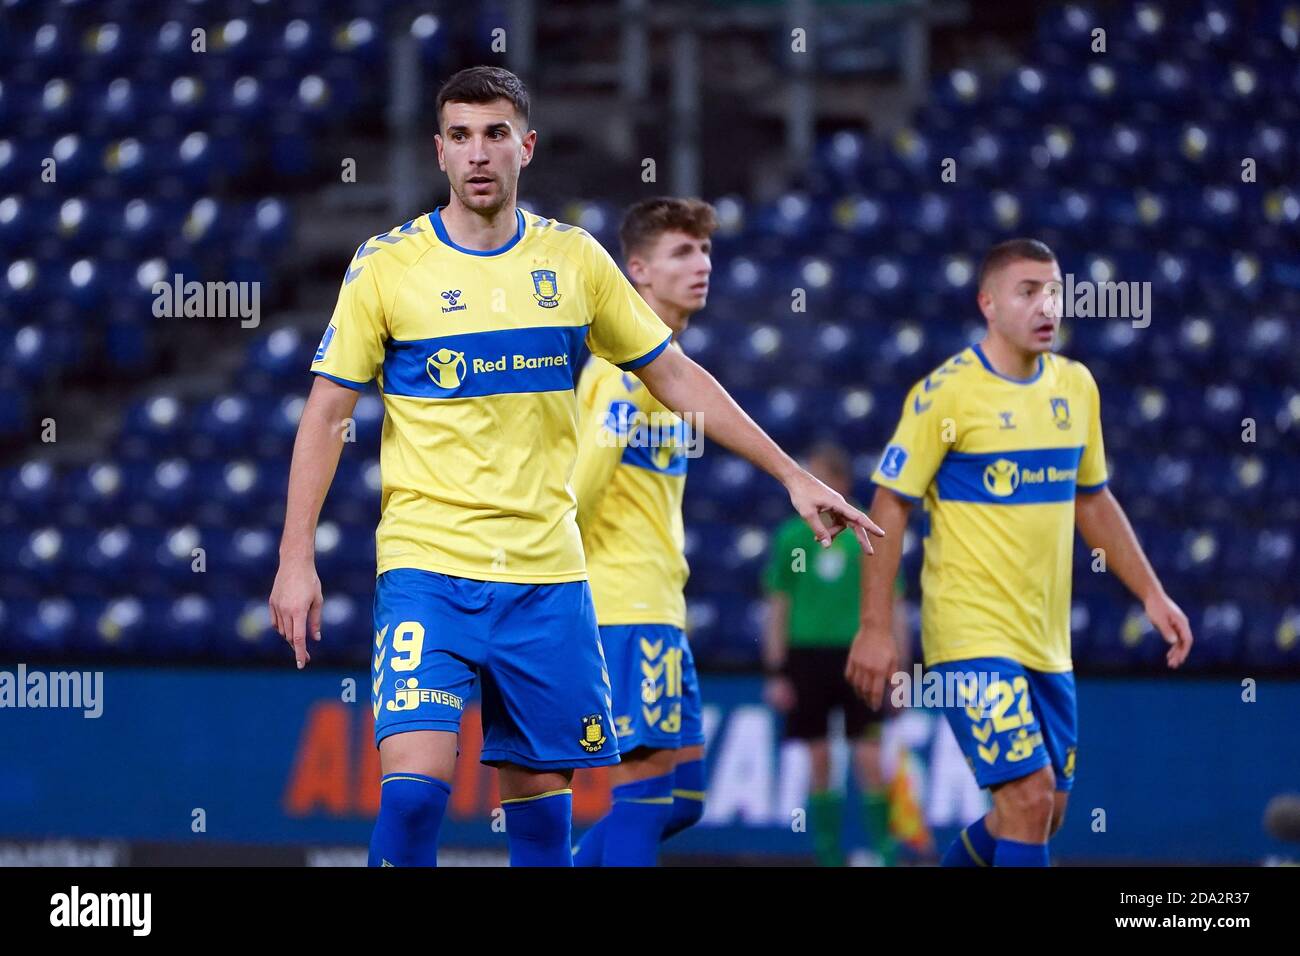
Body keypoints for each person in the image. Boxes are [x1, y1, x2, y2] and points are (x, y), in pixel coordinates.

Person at [268, 65, 883, 867]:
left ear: (527, 145)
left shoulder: (575, 261)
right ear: (439, 152)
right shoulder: (388, 266)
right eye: (460, 136)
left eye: (495, 134)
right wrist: (294, 556)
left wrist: (791, 473)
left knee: (541, 821)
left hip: (548, 582)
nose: (478, 153)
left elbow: (675, 375)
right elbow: (326, 412)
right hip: (429, 565)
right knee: (416, 792)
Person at [845, 238, 1193, 867]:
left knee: (1041, 812)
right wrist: (874, 628)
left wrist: (1151, 593)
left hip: (1046, 639)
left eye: (1054, 291)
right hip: (970, 634)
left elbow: (1092, 501)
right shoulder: (945, 395)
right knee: (1029, 800)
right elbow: (889, 506)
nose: (1047, 305)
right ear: (989, 304)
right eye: (1028, 291)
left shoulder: (1076, 387)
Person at [569, 196, 716, 866]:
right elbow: (577, 489)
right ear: (638, 272)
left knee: (683, 799)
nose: (702, 264)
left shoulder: (666, 375)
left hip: (659, 607)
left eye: (705, 250)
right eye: (682, 252)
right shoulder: (622, 377)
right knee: (643, 795)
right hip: (625, 607)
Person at [763, 441, 906, 866]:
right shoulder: (793, 536)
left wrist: (899, 666)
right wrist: (776, 670)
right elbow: (778, 606)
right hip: (807, 656)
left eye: (821, 476)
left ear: (841, 483)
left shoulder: (867, 529)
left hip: (858, 650)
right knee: (819, 754)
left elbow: (894, 602)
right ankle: (827, 854)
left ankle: (884, 854)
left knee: (867, 753)